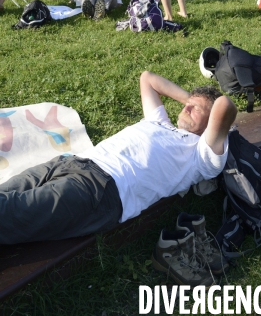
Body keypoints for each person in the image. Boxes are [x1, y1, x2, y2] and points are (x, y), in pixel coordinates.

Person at [0, 71, 237, 247]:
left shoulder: (201, 156)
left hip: (101, 189)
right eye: (187, 105)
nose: (186, 109)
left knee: (11, 211)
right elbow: (147, 78)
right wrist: (191, 99)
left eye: (196, 109)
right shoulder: (159, 122)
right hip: (71, 161)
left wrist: (204, 106)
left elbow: (225, 105)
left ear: (211, 126)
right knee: (6, 194)